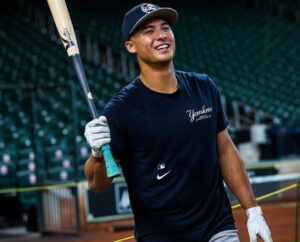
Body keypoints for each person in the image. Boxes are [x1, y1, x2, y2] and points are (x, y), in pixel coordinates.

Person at [84, 3, 273, 242]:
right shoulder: (121, 110)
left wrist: (253, 211)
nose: (161, 35)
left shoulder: (204, 87)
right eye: (148, 31)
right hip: (160, 235)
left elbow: (225, 151)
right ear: (130, 46)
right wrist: (97, 153)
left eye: (165, 27)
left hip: (217, 227)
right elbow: (96, 184)